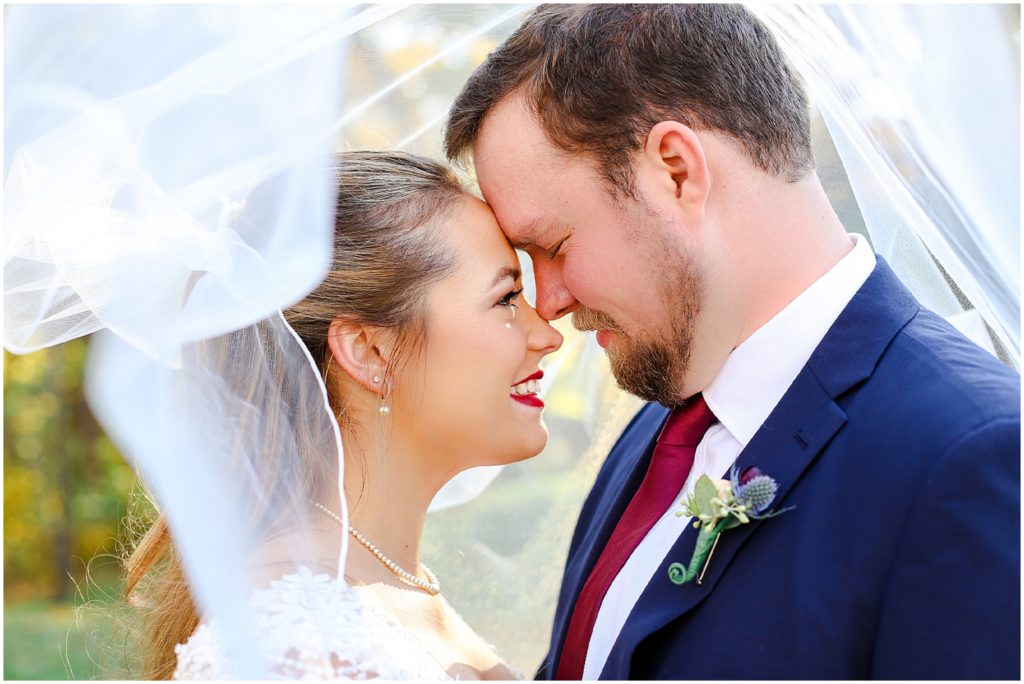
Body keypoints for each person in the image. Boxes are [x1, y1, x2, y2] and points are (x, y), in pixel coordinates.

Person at [444, 4, 1020, 680]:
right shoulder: (658, 433)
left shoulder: (971, 454)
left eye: (556, 245)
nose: (550, 301)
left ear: (677, 171)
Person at [115, 150, 559, 679]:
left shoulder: (383, 586)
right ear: (369, 352)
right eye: (507, 298)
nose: (548, 335)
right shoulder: (294, 647)